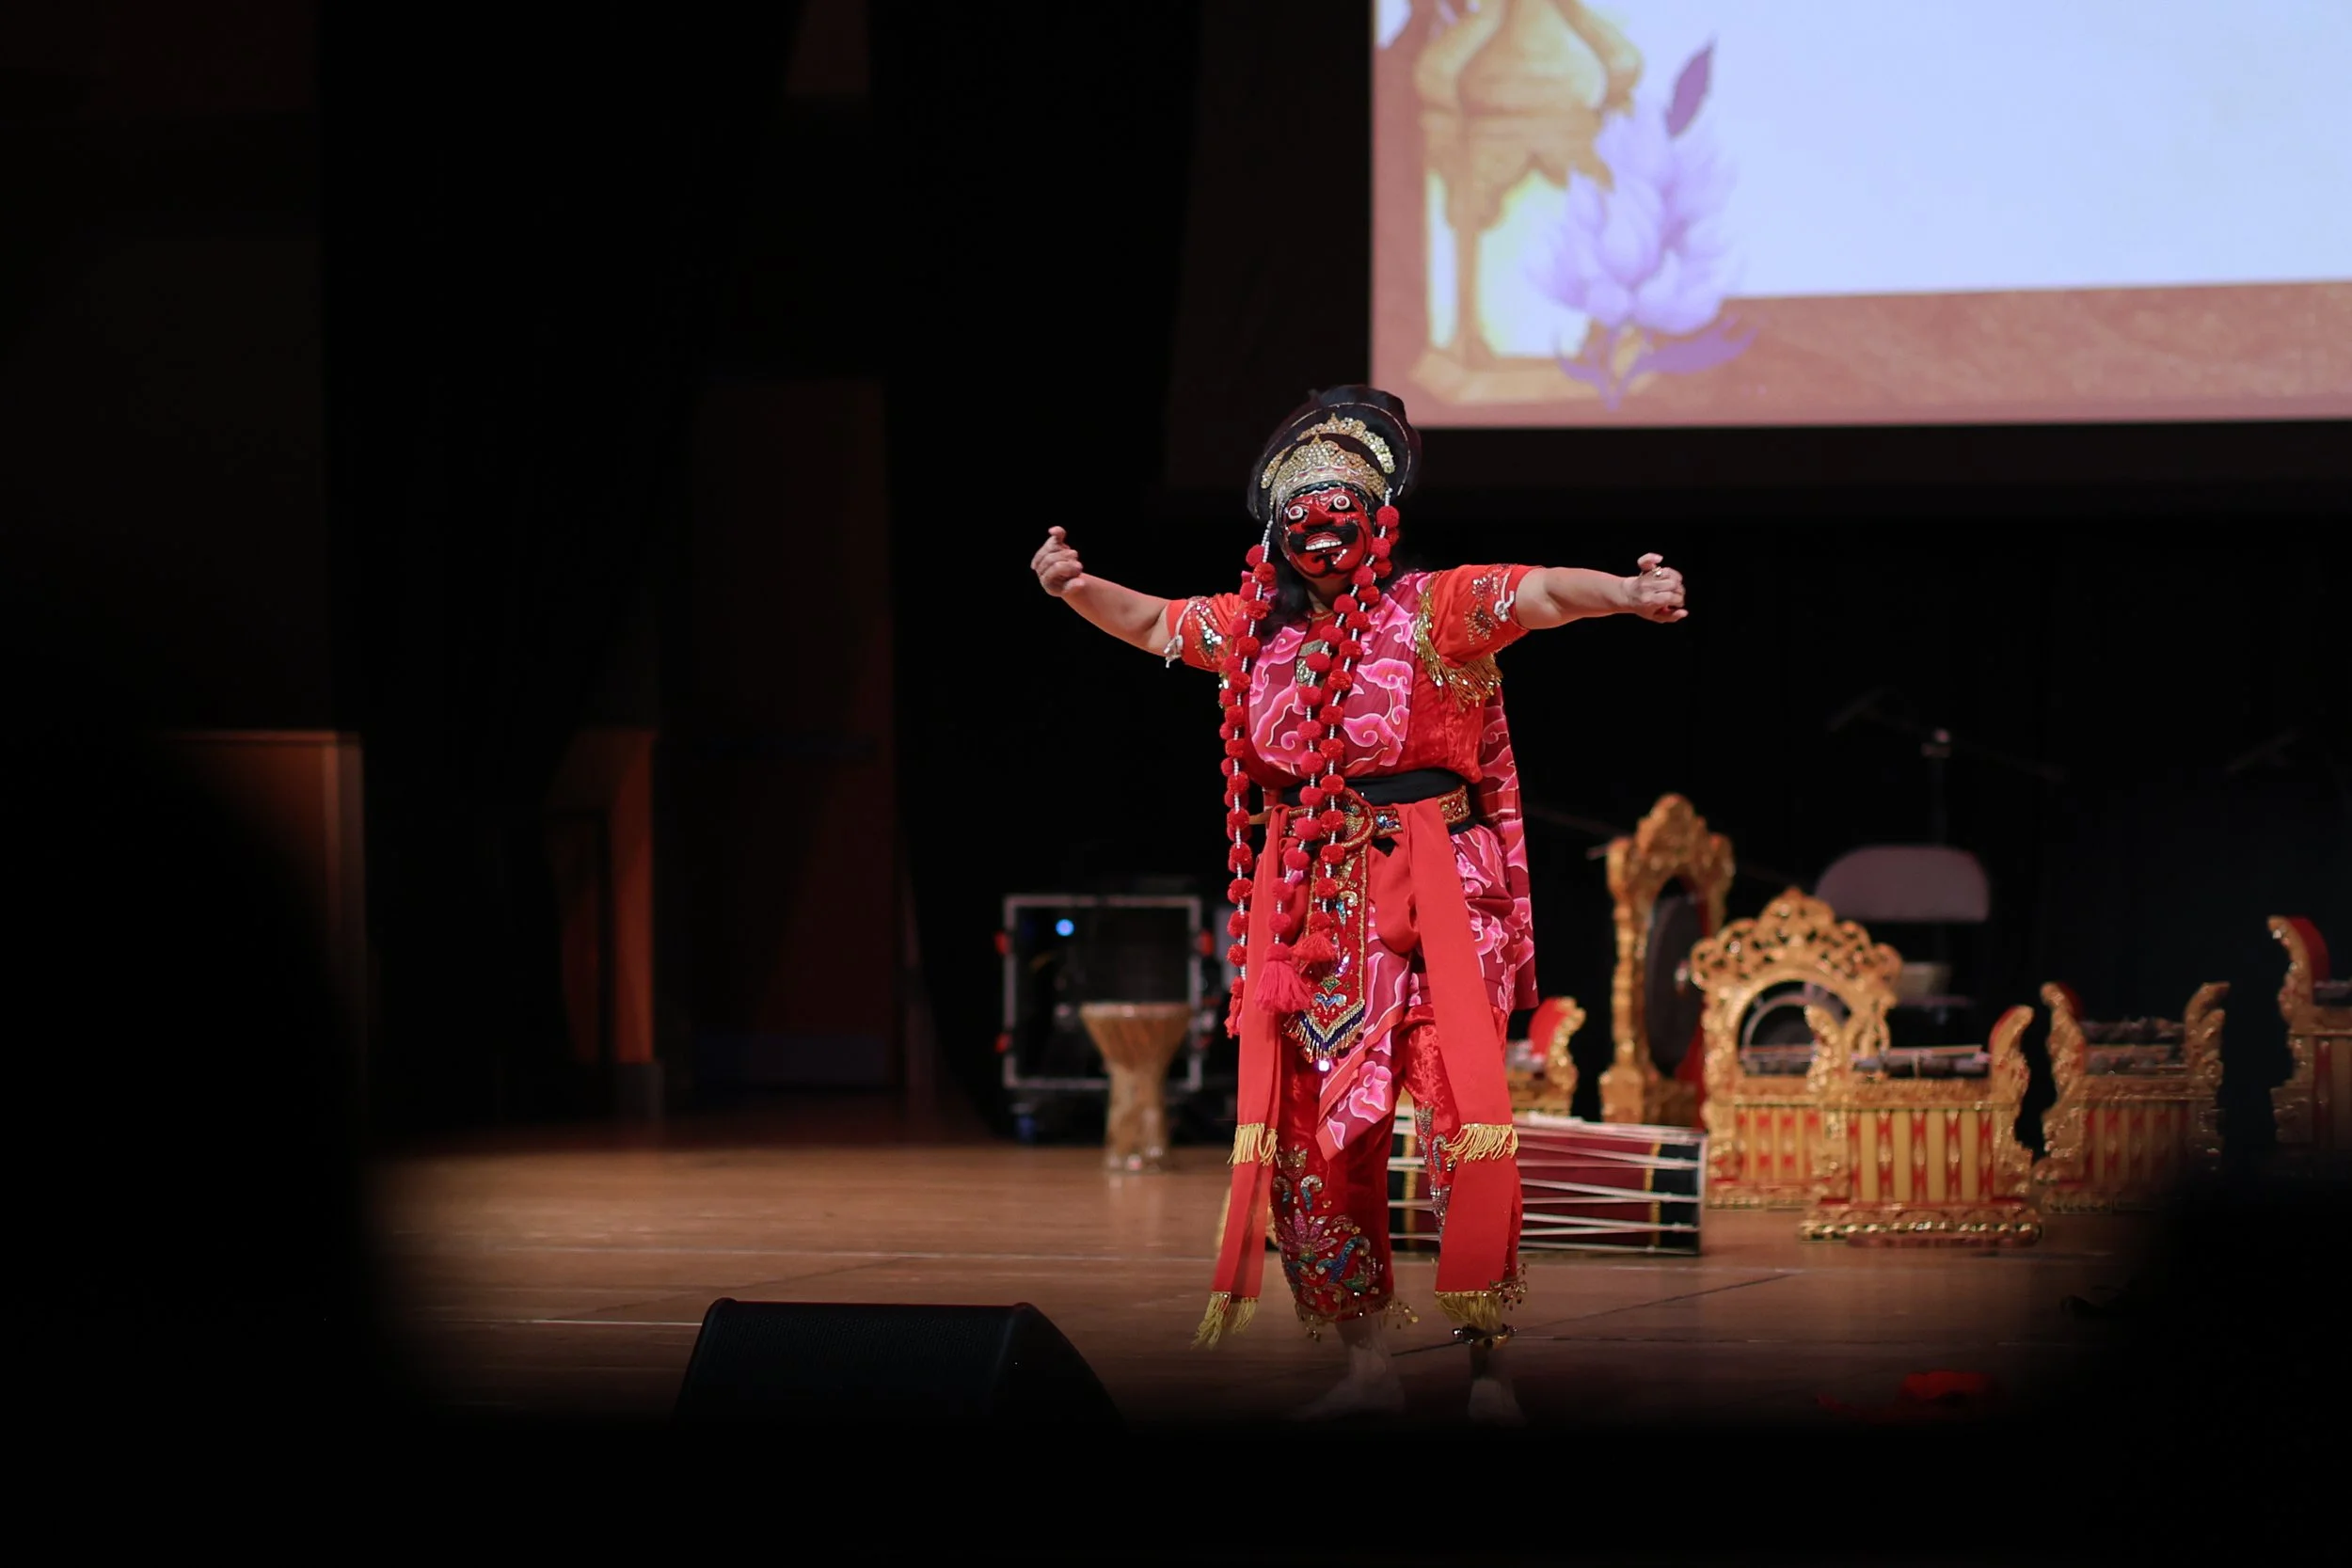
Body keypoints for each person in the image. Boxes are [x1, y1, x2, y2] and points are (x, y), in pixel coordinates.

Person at [1030, 387, 1686, 1422]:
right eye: (1300, 515)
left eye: (1341, 510)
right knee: (1313, 1136)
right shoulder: (1252, 629)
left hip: (1437, 890)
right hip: (1312, 907)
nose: (1320, 530)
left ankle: (1487, 1368)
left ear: (1377, 520)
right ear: (1275, 532)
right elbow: (1152, 619)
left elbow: (1539, 595)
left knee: (1464, 1115)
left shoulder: (1433, 608)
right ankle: (1368, 1365)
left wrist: (1625, 591)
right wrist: (1073, 587)